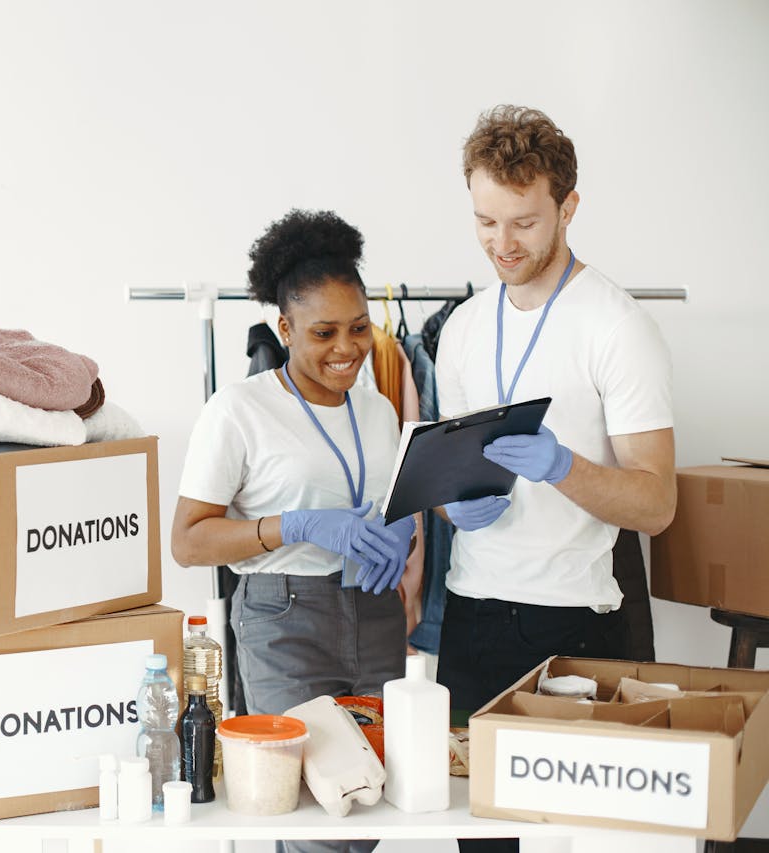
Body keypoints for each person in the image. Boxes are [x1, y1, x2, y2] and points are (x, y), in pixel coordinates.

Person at [433, 105, 676, 852]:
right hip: (471, 617)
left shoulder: (616, 325)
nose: (501, 244)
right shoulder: (463, 328)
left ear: (568, 207)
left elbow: (657, 502)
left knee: (580, 841)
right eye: (485, 221)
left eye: (525, 223)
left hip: (573, 625)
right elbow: (448, 480)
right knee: (480, 839)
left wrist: (565, 467)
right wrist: (450, 505)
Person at [172, 209, 416, 853]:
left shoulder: (379, 407)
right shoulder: (239, 410)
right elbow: (189, 542)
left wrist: (404, 532)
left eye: (360, 328)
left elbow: (390, 506)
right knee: (316, 818)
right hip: (286, 619)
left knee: (368, 810)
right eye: (324, 332)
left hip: (376, 613)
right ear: (284, 328)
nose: (347, 349)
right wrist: (295, 526)